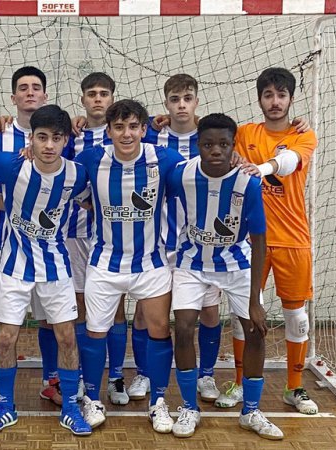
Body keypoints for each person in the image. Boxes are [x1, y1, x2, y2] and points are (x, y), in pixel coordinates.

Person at [0, 105, 93, 436]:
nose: (49, 145)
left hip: (56, 267)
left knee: (66, 336)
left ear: (65, 140)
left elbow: (90, 200)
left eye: (56, 138)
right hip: (14, 266)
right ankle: (5, 407)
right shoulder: (12, 165)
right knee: (6, 337)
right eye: (42, 137)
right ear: (31, 139)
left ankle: (71, 407)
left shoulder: (77, 174)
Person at [169, 113, 283, 440]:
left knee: (255, 330)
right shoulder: (181, 175)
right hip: (192, 262)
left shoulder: (248, 182)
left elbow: (259, 240)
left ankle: (251, 411)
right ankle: (189, 408)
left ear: (234, 146)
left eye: (223, 144)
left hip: (236, 263)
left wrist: (255, 300)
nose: (215, 150)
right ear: (198, 145)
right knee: (184, 328)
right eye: (208, 144)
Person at [73, 100, 184, 432]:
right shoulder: (91, 159)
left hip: (151, 263)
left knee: (160, 330)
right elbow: (70, 185)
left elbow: (198, 175)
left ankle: (158, 402)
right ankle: (91, 399)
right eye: (119, 127)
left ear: (144, 129)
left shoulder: (164, 158)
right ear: (108, 131)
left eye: (133, 127)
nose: (126, 134)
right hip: (104, 264)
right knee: (95, 332)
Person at [230, 68, 319, 415]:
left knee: (296, 316)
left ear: (291, 99)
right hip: (250, 240)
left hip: (293, 239)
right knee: (244, 313)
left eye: (281, 95)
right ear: (259, 99)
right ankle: (240, 383)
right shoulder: (245, 133)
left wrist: (261, 168)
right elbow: (206, 135)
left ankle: (294, 387)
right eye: (268, 95)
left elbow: (289, 162)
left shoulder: (303, 135)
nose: (275, 101)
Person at [0, 66, 66, 409]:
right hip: (5, 241)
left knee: (48, 317)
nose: (30, 92)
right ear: (13, 97)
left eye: (36, 87)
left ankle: (51, 379)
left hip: (48, 243)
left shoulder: (59, 134)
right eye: (23, 88)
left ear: (45, 95)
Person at [143, 74, 223, 403]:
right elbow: (119, 125)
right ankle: (145, 373)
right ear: (165, 104)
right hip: (160, 242)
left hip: (203, 243)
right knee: (149, 312)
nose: (181, 105)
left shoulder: (210, 137)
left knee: (209, 312)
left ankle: (207, 375)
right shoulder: (152, 136)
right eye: (175, 99)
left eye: (187, 99)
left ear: (196, 102)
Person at [67, 73, 134, 405]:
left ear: (112, 99)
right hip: (74, 232)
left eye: (103, 94)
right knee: (82, 308)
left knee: (117, 308)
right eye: (91, 94)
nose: (97, 99)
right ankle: (83, 375)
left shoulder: (122, 135)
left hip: (112, 236)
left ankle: (117, 376)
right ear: (82, 100)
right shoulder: (71, 135)